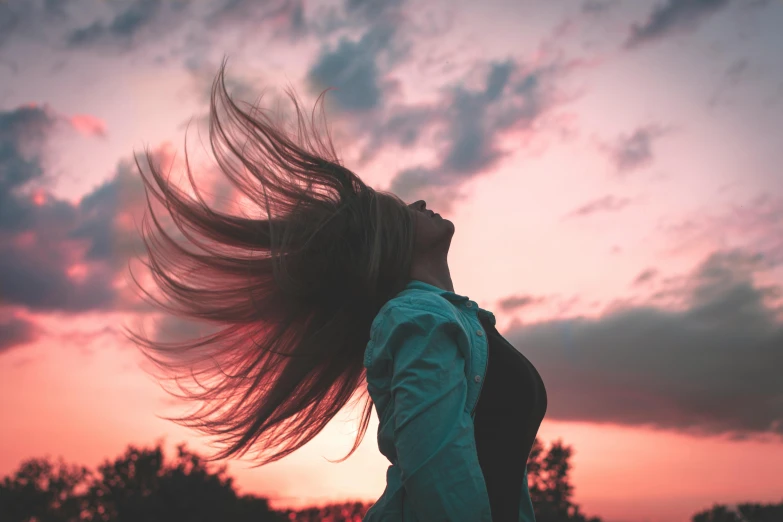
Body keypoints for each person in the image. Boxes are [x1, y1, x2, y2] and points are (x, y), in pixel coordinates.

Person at [124, 57, 546, 522]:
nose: (420, 202)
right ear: (388, 245)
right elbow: (439, 480)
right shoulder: (418, 320)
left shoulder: (457, 321)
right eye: (402, 210)